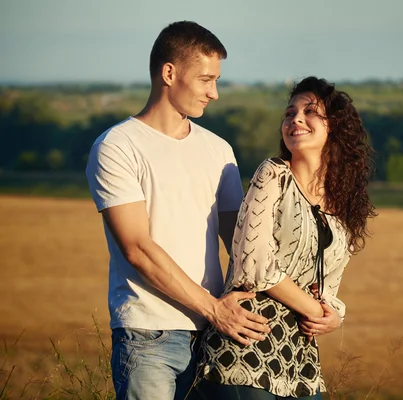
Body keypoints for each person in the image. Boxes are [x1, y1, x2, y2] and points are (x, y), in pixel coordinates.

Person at [85, 21, 270, 400]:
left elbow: (245, 241)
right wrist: (215, 309)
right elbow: (136, 248)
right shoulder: (118, 147)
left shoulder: (219, 150)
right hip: (147, 334)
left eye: (216, 81)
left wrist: (310, 290)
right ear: (169, 73)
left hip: (216, 340)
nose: (214, 93)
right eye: (206, 79)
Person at [196, 76, 376, 399]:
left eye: (309, 112)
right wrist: (314, 307)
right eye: (290, 113)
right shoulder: (272, 176)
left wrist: (335, 315)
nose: (296, 119)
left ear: (334, 127)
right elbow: (255, 267)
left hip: (302, 363)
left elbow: (329, 288)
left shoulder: (343, 205)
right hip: (247, 348)